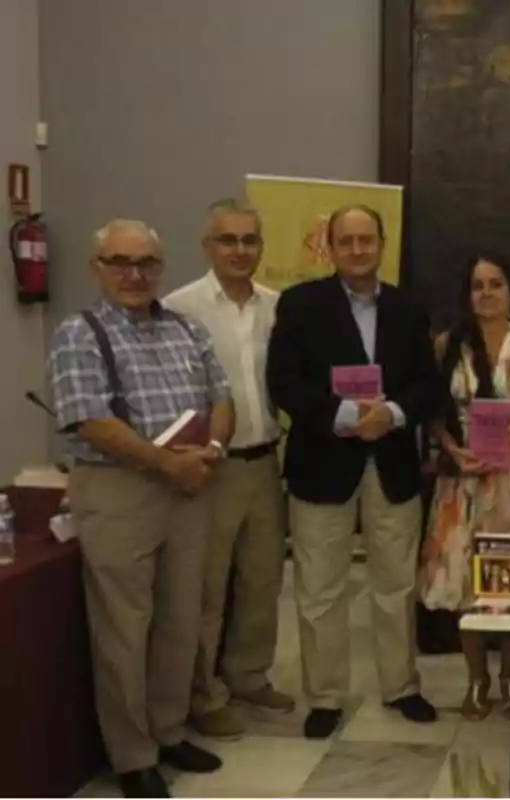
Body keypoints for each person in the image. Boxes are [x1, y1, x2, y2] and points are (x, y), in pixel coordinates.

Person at [47, 219, 232, 798]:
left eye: (147, 263)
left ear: (162, 268)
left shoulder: (187, 329)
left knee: (182, 619)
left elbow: (220, 397)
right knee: (124, 629)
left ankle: (169, 729)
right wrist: (162, 461)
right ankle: (132, 756)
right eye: (120, 262)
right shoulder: (79, 334)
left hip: (191, 486)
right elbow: (89, 418)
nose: (135, 274)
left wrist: (214, 449)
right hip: (118, 490)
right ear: (97, 268)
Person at [266, 203, 440, 740]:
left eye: (368, 240)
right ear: (330, 247)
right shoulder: (300, 305)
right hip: (323, 460)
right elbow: (285, 382)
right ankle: (323, 695)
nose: (358, 250)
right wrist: (345, 416)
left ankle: (401, 686)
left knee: (394, 582)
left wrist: (390, 414)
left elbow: (425, 383)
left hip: (391, 463)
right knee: (320, 587)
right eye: (347, 241)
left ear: (382, 245)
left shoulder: (409, 308)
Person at [162, 199, 292, 740]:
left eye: (249, 240)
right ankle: (202, 692)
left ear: (262, 246)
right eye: (228, 240)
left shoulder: (280, 307)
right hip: (210, 467)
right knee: (207, 587)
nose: (240, 250)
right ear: (207, 246)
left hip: (267, 462)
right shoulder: (178, 308)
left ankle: (247, 675)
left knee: (264, 580)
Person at [419, 254, 510, 721]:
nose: (486, 293)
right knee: (468, 585)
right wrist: (451, 449)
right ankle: (477, 680)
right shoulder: (447, 345)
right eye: (477, 285)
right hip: (464, 480)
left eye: (495, 283)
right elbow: (434, 414)